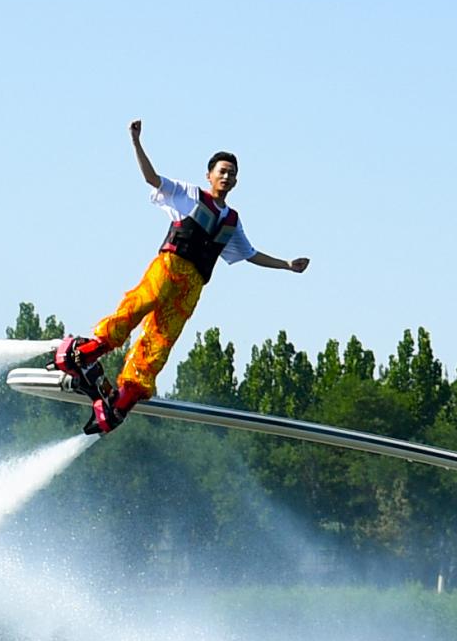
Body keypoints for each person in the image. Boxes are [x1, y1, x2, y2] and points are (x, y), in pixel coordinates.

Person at [55, 119, 309, 434]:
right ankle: (89, 351)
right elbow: (151, 178)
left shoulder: (232, 220)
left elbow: (250, 254)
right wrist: (136, 142)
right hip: (169, 267)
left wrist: (287, 264)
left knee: (161, 340)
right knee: (139, 306)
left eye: (232, 174)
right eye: (222, 171)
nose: (227, 177)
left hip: (192, 286)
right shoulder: (189, 195)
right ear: (210, 175)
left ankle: (126, 394)